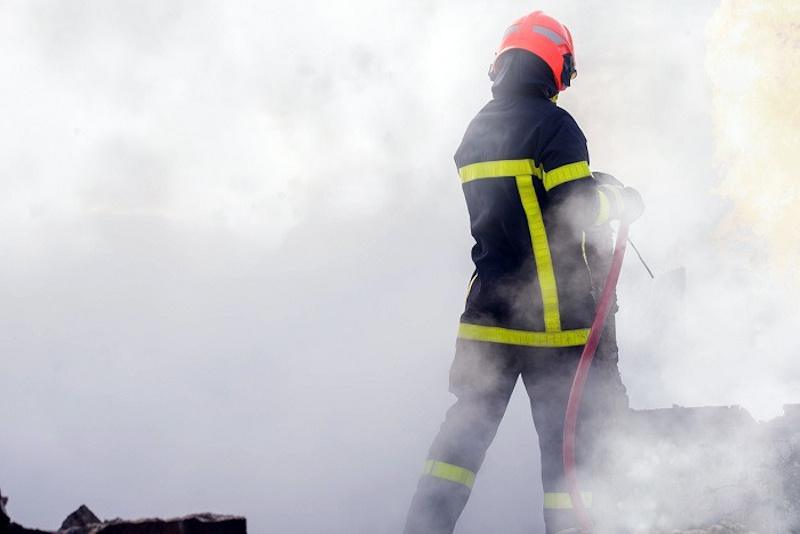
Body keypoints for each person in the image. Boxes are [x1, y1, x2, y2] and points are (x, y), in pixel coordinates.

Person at [403, 11, 643, 534]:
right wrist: (618, 199)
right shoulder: (555, 126)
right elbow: (571, 208)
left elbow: (520, 205)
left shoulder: (478, 129)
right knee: (568, 457)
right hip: (553, 324)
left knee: (459, 444)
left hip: (486, 315)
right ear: (557, 67)